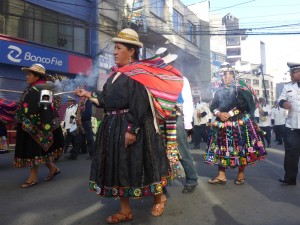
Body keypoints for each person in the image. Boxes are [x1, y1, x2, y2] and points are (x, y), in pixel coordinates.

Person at [75, 29, 183, 223]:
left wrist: (131, 129)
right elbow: (107, 101)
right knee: (120, 167)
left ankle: (160, 197)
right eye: (114, 49)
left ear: (131, 51)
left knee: (145, 164)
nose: (114, 52)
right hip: (113, 127)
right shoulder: (115, 75)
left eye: (119, 48)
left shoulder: (138, 74)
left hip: (134, 126)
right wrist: (88, 95)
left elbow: (139, 103)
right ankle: (125, 210)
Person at [205, 62, 266, 185]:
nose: (224, 77)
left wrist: (229, 114)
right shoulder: (219, 91)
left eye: (226, 74)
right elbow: (213, 106)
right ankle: (221, 175)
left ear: (232, 75)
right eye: (222, 75)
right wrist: (218, 114)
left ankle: (241, 174)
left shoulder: (240, 89)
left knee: (241, 148)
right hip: (221, 124)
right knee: (221, 148)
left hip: (238, 123)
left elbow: (244, 106)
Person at [155, 47, 198, 193]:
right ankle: (163, 182)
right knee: (159, 151)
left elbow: (187, 102)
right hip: (159, 119)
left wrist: (187, 123)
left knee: (181, 150)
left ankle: (192, 179)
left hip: (176, 117)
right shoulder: (154, 80)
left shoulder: (181, 79)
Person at [14, 63, 64, 188]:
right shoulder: (31, 88)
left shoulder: (44, 89)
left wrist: (42, 128)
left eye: (29, 75)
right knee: (40, 151)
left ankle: (33, 178)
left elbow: (46, 108)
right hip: (30, 124)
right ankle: (53, 169)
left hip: (38, 126)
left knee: (34, 151)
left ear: (37, 76)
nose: (27, 77)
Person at [277, 62, 300, 185]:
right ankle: (290, 178)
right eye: (290, 72)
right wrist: (283, 103)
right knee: (291, 153)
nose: (290, 75)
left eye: (293, 72)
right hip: (292, 125)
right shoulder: (288, 86)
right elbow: (279, 99)